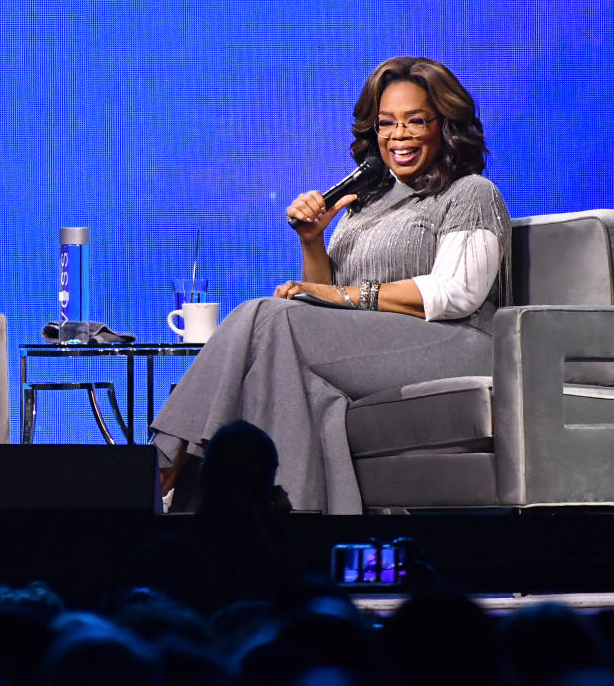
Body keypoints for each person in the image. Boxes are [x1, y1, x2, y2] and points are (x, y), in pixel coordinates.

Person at [151, 56, 510, 513]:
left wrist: (342, 296)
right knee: (280, 363)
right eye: (386, 124)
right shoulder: (364, 205)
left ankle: (167, 461)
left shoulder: (470, 193)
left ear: (445, 124)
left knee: (264, 315)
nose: (398, 136)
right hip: (382, 344)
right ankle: (283, 524)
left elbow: (456, 293)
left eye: (415, 121)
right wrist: (313, 242)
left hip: (459, 342)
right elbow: (318, 307)